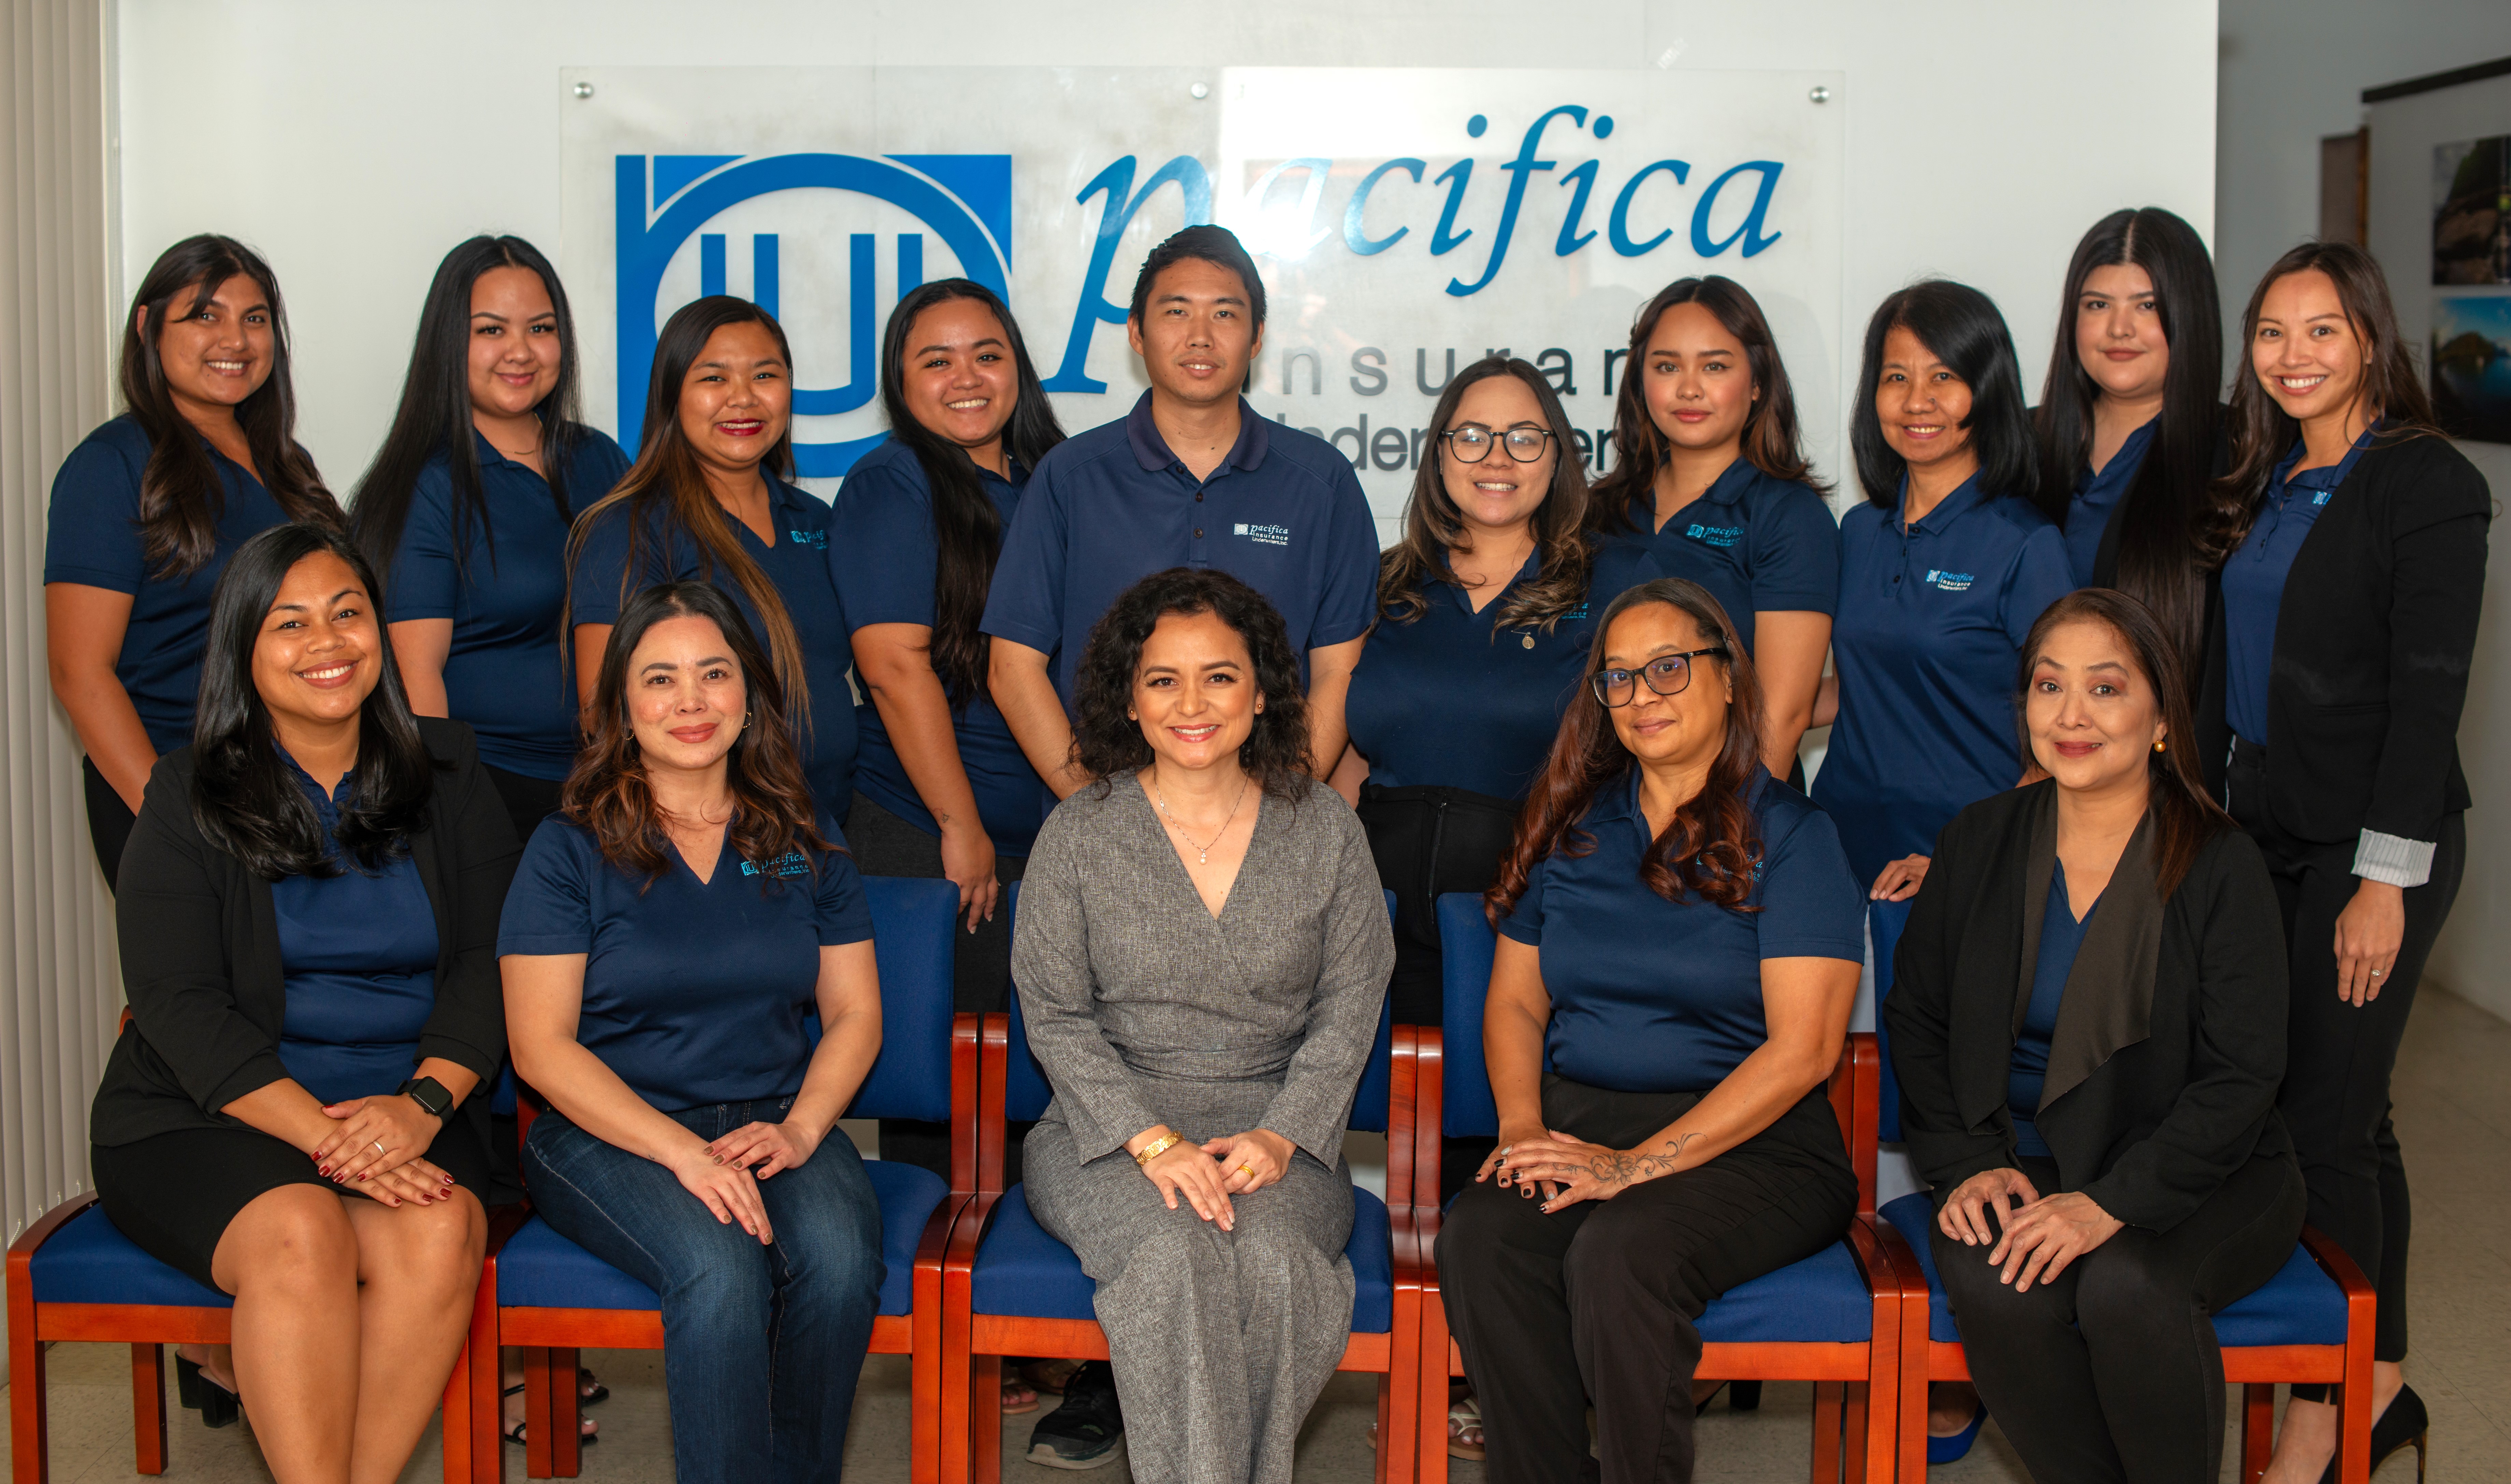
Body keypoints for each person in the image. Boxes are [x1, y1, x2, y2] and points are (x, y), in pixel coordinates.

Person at [89, 522, 511, 1479]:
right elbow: (177, 1000)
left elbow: (494, 959)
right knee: (301, 1230)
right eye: (290, 623)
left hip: (403, 1106)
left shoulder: (449, 769)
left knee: (443, 1223)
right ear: (243, 649)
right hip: (211, 1114)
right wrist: (332, 1143)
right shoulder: (185, 791)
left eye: (347, 612)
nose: (327, 642)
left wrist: (423, 1105)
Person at [1435, 577, 1864, 1484]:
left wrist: (1635, 1167)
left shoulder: (1795, 833)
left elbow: (1806, 1051)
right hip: (1582, 1121)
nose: (1642, 696)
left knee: (1621, 1248)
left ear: (1728, 680)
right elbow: (1514, 1001)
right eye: (1619, 679)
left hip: (1760, 1148)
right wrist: (1520, 1127)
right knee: (1481, 1235)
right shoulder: (1575, 826)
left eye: (1668, 668)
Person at [1884, 588, 2303, 1484]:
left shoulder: (2220, 860)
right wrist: (1965, 1161)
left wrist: (2110, 1202)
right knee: (1993, 1272)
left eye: (2106, 689)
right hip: (2021, 1149)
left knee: (2127, 1282)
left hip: (2202, 1167)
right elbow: (1918, 1016)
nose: (2071, 714)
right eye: (2048, 685)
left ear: (2160, 718)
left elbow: (2243, 1075)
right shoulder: (1979, 838)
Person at [2200, 243, 2487, 1484]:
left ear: (2371, 335)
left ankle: (2325, 1419)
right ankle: (2385, 1384)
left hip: (2374, 843)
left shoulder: (2426, 482)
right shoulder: (2268, 476)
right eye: (2272, 331)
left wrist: (2384, 880)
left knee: (2323, 1122)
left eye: (2322, 329)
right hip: (2265, 830)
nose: (2294, 355)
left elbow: (2430, 700)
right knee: (2342, 1115)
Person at [1011, 567, 1394, 1478]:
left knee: (1273, 1265)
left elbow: (1352, 1001)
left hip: (1281, 1133)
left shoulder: (1327, 829)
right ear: (1130, 701)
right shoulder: (1078, 830)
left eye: (1220, 675)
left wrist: (1283, 1131)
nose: (1193, 702)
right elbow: (1056, 1016)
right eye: (1162, 679)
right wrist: (1152, 1141)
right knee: (1174, 1252)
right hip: (1105, 1132)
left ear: (1261, 693)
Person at [501, 581, 886, 1484]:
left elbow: (856, 1011)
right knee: (720, 1272)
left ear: (749, 695)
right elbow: (541, 1047)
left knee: (836, 1263)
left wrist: (801, 1127)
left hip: (774, 1115)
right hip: (612, 1129)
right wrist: (684, 1151)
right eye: (661, 678)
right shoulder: (566, 849)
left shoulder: (803, 832)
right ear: (621, 707)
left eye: (713, 674)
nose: (690, 700)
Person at [828, 279, 1074, 1418]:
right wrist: (959, 827)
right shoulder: (892, 486)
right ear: (897, 381)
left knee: (1033, 1076)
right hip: (942, 835)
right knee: (948, 1092)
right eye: (935, 360)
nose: (966, 377)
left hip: (1054, 835)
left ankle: (1023, 1329)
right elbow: (893, 664)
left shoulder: (1048, 476)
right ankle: (954, 1343)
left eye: (987, 353)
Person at [982, 225, 1380, 802]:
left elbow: (1341, 670)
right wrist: (1102, 815)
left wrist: (1271, 813)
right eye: (1176, 312)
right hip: (1101, 828)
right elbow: (1014, 669)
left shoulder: (1322, 482)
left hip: (1268, 832)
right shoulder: (1070, 477)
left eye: (1225, 314)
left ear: (1258, 336)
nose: (1200, 337)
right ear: (1137, 333)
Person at [46, 234, 340, 890]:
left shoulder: (286, 467)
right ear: (150, 326)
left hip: (287, 790)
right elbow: (78, 671)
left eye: (254, 319)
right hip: (174, 787)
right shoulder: (113, 466)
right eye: (205, 315)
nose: (234, 339)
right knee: (198, 992)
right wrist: (171, 815)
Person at [1334, 353, 1594, 1029]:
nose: (1497, 458)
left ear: (1556, 455)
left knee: (1500, 1124)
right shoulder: (1383, 584)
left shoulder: (1604, 590)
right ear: (1440, 455)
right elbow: (1351, 752)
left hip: (1529, 926)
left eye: (1524, 437)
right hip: (1375, 923)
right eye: (1472, 436)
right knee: (1388, 1118)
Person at [353, 234, 630, 846]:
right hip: (491, 795)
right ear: (449, 342)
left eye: (540, 328)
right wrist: (452, 815)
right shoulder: (426, 485)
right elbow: (414, 677)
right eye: (491, 330)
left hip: (615, 786)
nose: (521, 351)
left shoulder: (600, 460)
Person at [1812, 280, 2076, 903]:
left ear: (1986, 390)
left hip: (1957, 864)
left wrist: (1969, 857)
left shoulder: (2025, 543)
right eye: (1896, 377)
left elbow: (2067, 727)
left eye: (1944, 377)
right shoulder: (1858, 530)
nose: (1917, 401)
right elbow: (1858, 683)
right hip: (1840, 849)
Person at [568, 295, 856, 822]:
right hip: (706, 834)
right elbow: (600, 707)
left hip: (828, 825)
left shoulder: (815, 520)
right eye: (714, 379)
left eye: (765, 375)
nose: (743, 399)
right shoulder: (630, 528)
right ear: (672, 394)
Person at [1584, 276, 1839, 780]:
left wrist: (1726, 837)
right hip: (1602, 809)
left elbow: (1782, 718)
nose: (1689, 388)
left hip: (1729, 811)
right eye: (1667, 366)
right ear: (1640, 381)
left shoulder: (1787, 514)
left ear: (1759, 383)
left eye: (1715, 366)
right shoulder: (1600, 509)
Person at [2031, 207, 2225, 687]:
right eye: (2097, 305)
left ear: (2189, 315)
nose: (2120, 329)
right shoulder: (2020, 443)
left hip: (2165, 750)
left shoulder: (2239, 453)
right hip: (2021, 748)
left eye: (2147, 306)